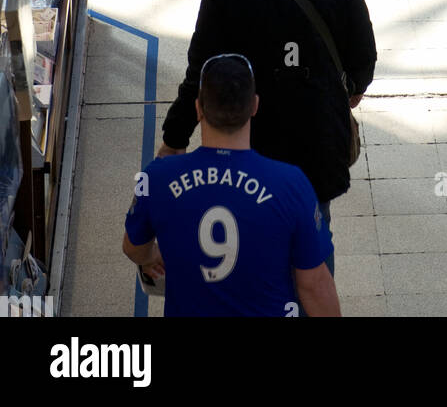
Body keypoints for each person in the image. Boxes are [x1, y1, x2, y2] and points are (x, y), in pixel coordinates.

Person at [158, 0, 377, 243]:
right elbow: (364, 55)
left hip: (251, 140)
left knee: (254, 234)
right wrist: (347, 92)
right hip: (317, 136)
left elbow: (202, 71)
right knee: (312, 230)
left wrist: (175, 136)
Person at [124, 54, 341, 317]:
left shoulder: (157, 177)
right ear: (255, 106)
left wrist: (151, 256)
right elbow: (314, 285)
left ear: (198, 108)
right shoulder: (291, 184)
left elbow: (133, 247)